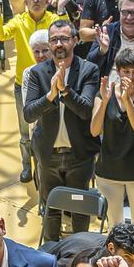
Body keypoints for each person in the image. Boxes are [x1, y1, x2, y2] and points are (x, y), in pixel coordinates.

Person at [23, 19, 99, 241]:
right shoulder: (38, 72)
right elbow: (29, 113)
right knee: (50, 209)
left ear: (74, 41)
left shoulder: (88, 70)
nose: (59, 44)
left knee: (80, 208)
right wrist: (49, 96)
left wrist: (65, 90)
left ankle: (80, 252)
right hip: (48, 155)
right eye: (54, 40)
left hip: (79, 155)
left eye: (64, 39)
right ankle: (51, 253)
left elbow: (86, 110)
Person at [0, 0, 63, 184]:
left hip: (51, 81)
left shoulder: (53, 20)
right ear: (26, 1)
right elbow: (1, 35)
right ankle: (27, 165)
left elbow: (67, 32)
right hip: (23, 84)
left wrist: (63, 9)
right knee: (25, 130)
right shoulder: (18, 22)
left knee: (51, 128)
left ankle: (47, 166)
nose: (36, 1)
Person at [90, 49, 134, 238]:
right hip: (108, 170)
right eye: (126, 71)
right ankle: (114, 264)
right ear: (118, 71)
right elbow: (95, 130)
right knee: (114, 226)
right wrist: (104, 102)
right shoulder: (104, 93)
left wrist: (127, 99)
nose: (131, 76)